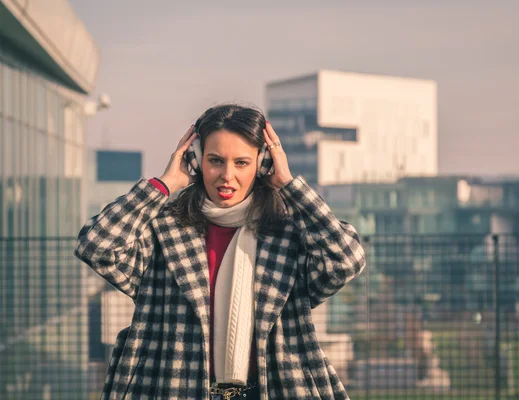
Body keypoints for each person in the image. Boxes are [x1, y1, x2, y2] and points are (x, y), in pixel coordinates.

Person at [75, 104, 366, 399]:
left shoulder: (286, 234)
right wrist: (163, 185)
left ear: (263, 165)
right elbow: (96, 245)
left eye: (241, 163)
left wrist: (290, 186)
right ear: (197, 161)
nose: (227, 175)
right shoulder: (163, 231)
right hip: (175, 388)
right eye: (215, 160)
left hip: (274, 389)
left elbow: (346, 260)